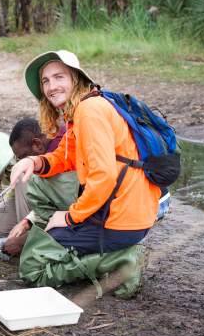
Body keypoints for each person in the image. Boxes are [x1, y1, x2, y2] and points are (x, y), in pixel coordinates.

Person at [10, 50, 160, 258]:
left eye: (59, 77)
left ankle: (124, 262)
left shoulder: (89, 111)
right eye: (45, 81)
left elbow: (104, 176)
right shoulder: (80, 111)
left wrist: (71, 217)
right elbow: (65, 157)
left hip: (120, 220)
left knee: (34, 259)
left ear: (76, 79)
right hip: (119, 213)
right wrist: (33, 161)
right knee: (46, 227)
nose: (51, 87)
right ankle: (100, 251)